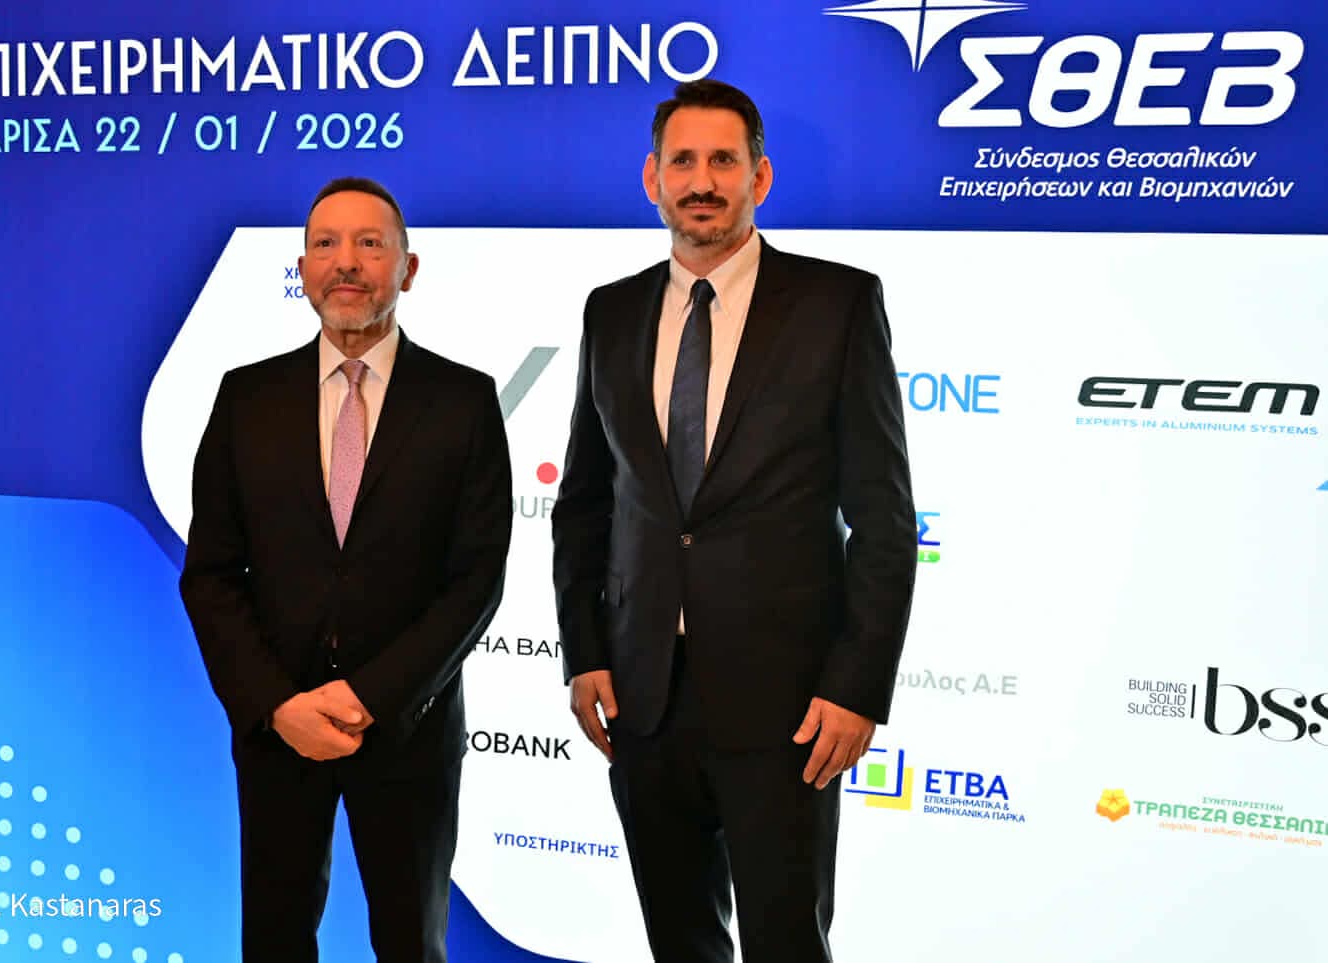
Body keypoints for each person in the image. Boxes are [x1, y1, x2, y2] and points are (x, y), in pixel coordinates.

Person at [552, 79, 916, 962]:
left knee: (788, 944)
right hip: (643, 698)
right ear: (653, 178)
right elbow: (587, 501)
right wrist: (585, 650)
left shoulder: (836, 303)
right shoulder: (611, 310)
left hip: (788, 705)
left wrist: (857, 684)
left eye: (724, 160)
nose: (703, 181)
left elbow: (883, 516)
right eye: (683, 161)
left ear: (761, 176)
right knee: (679, 942)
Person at [179, 176, 512, 963]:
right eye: (325, 244)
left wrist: (369, 695)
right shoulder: (246, 398)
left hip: (408, 730)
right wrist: (276, 704)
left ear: (408, 267)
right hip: (279, 727)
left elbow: (475, 581)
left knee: (410, 940)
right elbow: (211, 574)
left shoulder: (463, 400)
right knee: (274, 936)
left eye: (370, 243)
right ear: (302, 268)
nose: (346, 262)